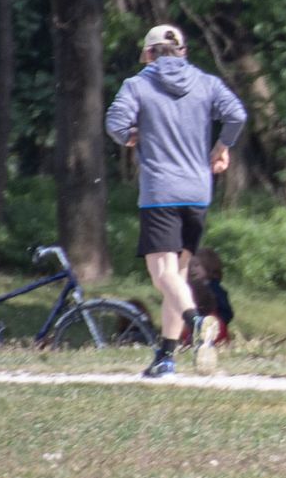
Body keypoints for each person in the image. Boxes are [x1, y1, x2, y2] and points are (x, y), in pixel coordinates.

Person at [103, 23, 247, 379]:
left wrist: (132, 135)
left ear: (149, 54)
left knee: (162, 274)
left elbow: (114, 122)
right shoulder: (207, 83)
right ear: (182, 52)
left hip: (160, 194)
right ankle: (166, 358)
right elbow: (237, 115)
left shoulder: (138, 85)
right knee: (179, 274)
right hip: (198, 192)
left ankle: (196, 323)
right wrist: (221, 146)